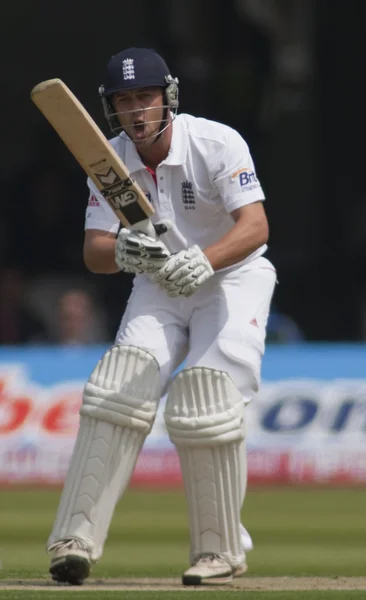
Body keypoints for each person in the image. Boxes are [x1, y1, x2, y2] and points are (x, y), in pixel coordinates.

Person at [47, 47, 276, 586]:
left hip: (232, 279)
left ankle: (220, 551)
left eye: (144, 97)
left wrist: (205, 258)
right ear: (112, 108)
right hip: (159, 284)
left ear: (166, 97)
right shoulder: (109, 159)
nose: (136, 110)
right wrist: (125, 251)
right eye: (124, 100)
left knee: (206, 392)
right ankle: (74, 540)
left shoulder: (216, 142)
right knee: (117, 387)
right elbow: (94, 251)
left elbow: (256, 226)